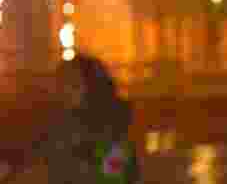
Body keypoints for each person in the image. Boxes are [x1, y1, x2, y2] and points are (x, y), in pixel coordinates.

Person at [0, 54, 139, 183]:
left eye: (73, 84)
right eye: (61, 84)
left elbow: (111, 177)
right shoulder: (56, 125)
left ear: (93, 87)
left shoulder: (113, 131)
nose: (64, 91)